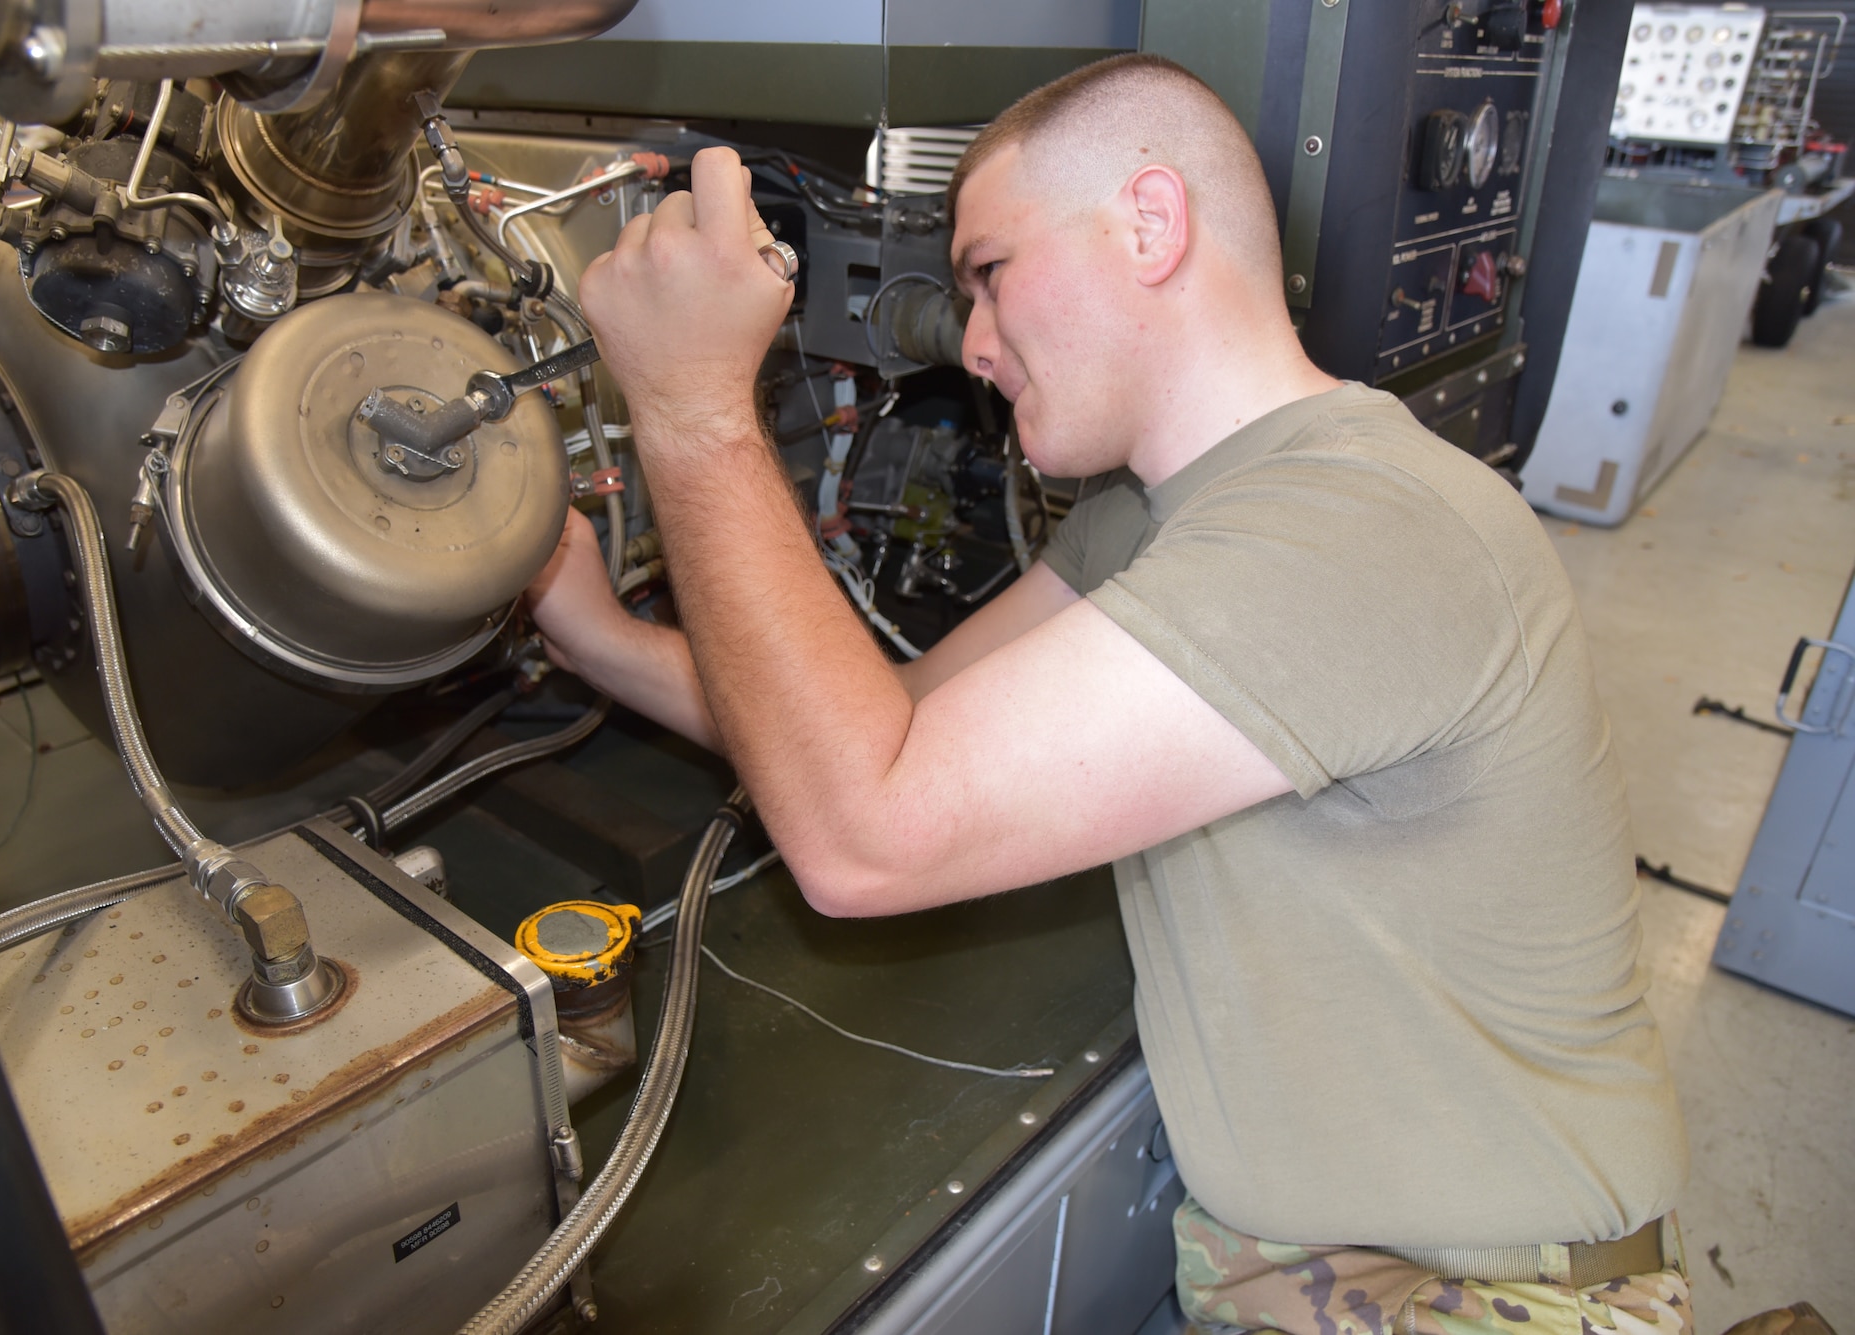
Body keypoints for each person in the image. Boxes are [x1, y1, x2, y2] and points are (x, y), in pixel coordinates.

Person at [526, 53, 1692, 1335]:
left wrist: (690, 406)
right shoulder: (1152, 512)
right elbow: (882, 725)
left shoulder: (1361, 529)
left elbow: (866, 835)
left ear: (1149, 224)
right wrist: (596, 640)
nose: (969, 342)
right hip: (1311, 1261)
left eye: (990, 274)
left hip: (1483, 1294)